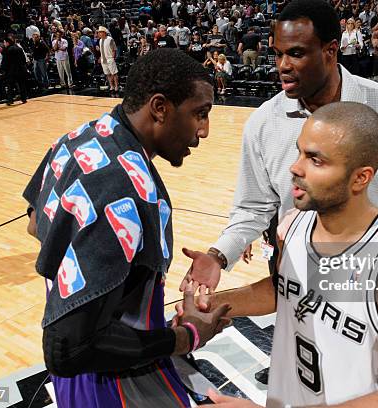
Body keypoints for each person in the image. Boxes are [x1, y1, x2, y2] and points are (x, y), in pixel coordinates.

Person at [181, 0, 378, 302]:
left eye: (296, 53)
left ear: (331, 51)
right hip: (298, 285)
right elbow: (252, 208)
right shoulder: (263, 123)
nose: (283, 66)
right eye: (278, 53)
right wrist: (218, 256)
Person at [178, 102, 378, 407]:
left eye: (315, 160)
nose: (295, 167)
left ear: (360, 178)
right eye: (299, 152)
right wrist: (213, 304)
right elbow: (283, 288)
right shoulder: (294, 222)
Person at [23, 49, 229, 407]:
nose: (204, 130)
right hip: (115, 381)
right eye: (200, 113)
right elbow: (68, 349)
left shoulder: (78, 138)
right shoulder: (125, 193)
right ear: (160, 107)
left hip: (81, 377)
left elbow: (34, 224)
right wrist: (188, 335)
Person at [1, 37, 28, 106]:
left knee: (10, 86)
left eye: (4, 42)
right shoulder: (19, 49)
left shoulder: (7, 50)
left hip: (11, 71)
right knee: (22, 84)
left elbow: (5, 62)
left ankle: (10, 100)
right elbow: (24, 59)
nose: (4, 44)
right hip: (20, 69)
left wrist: (3, 70)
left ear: (7, 42)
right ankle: (24, 99)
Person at [97, 26, 119, 92]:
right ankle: (111, 86)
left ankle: (116, 86)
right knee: (108, 74)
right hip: (103, 60)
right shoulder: (100, 40)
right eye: (99, 32)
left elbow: (114, 49)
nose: (99, 33)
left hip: (110, 59)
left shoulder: (110, 39)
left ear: (104, 33)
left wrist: (113, 58)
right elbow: (102, 51)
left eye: (100, 32)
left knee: (114, 73)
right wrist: (100, 57)